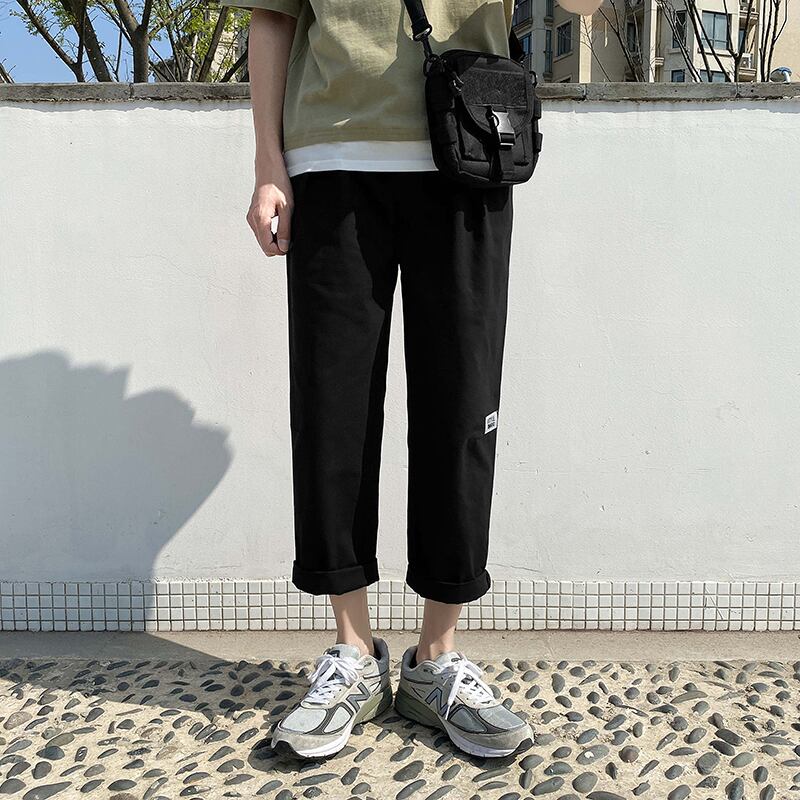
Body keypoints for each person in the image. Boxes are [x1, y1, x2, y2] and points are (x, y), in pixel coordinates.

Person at [221, 0, 533, 759]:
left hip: (467, 141)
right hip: (330, 160)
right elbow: (272, 17)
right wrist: (267, 163)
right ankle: (354, 652)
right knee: (331, 411)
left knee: (462, 408)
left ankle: (437, 658)